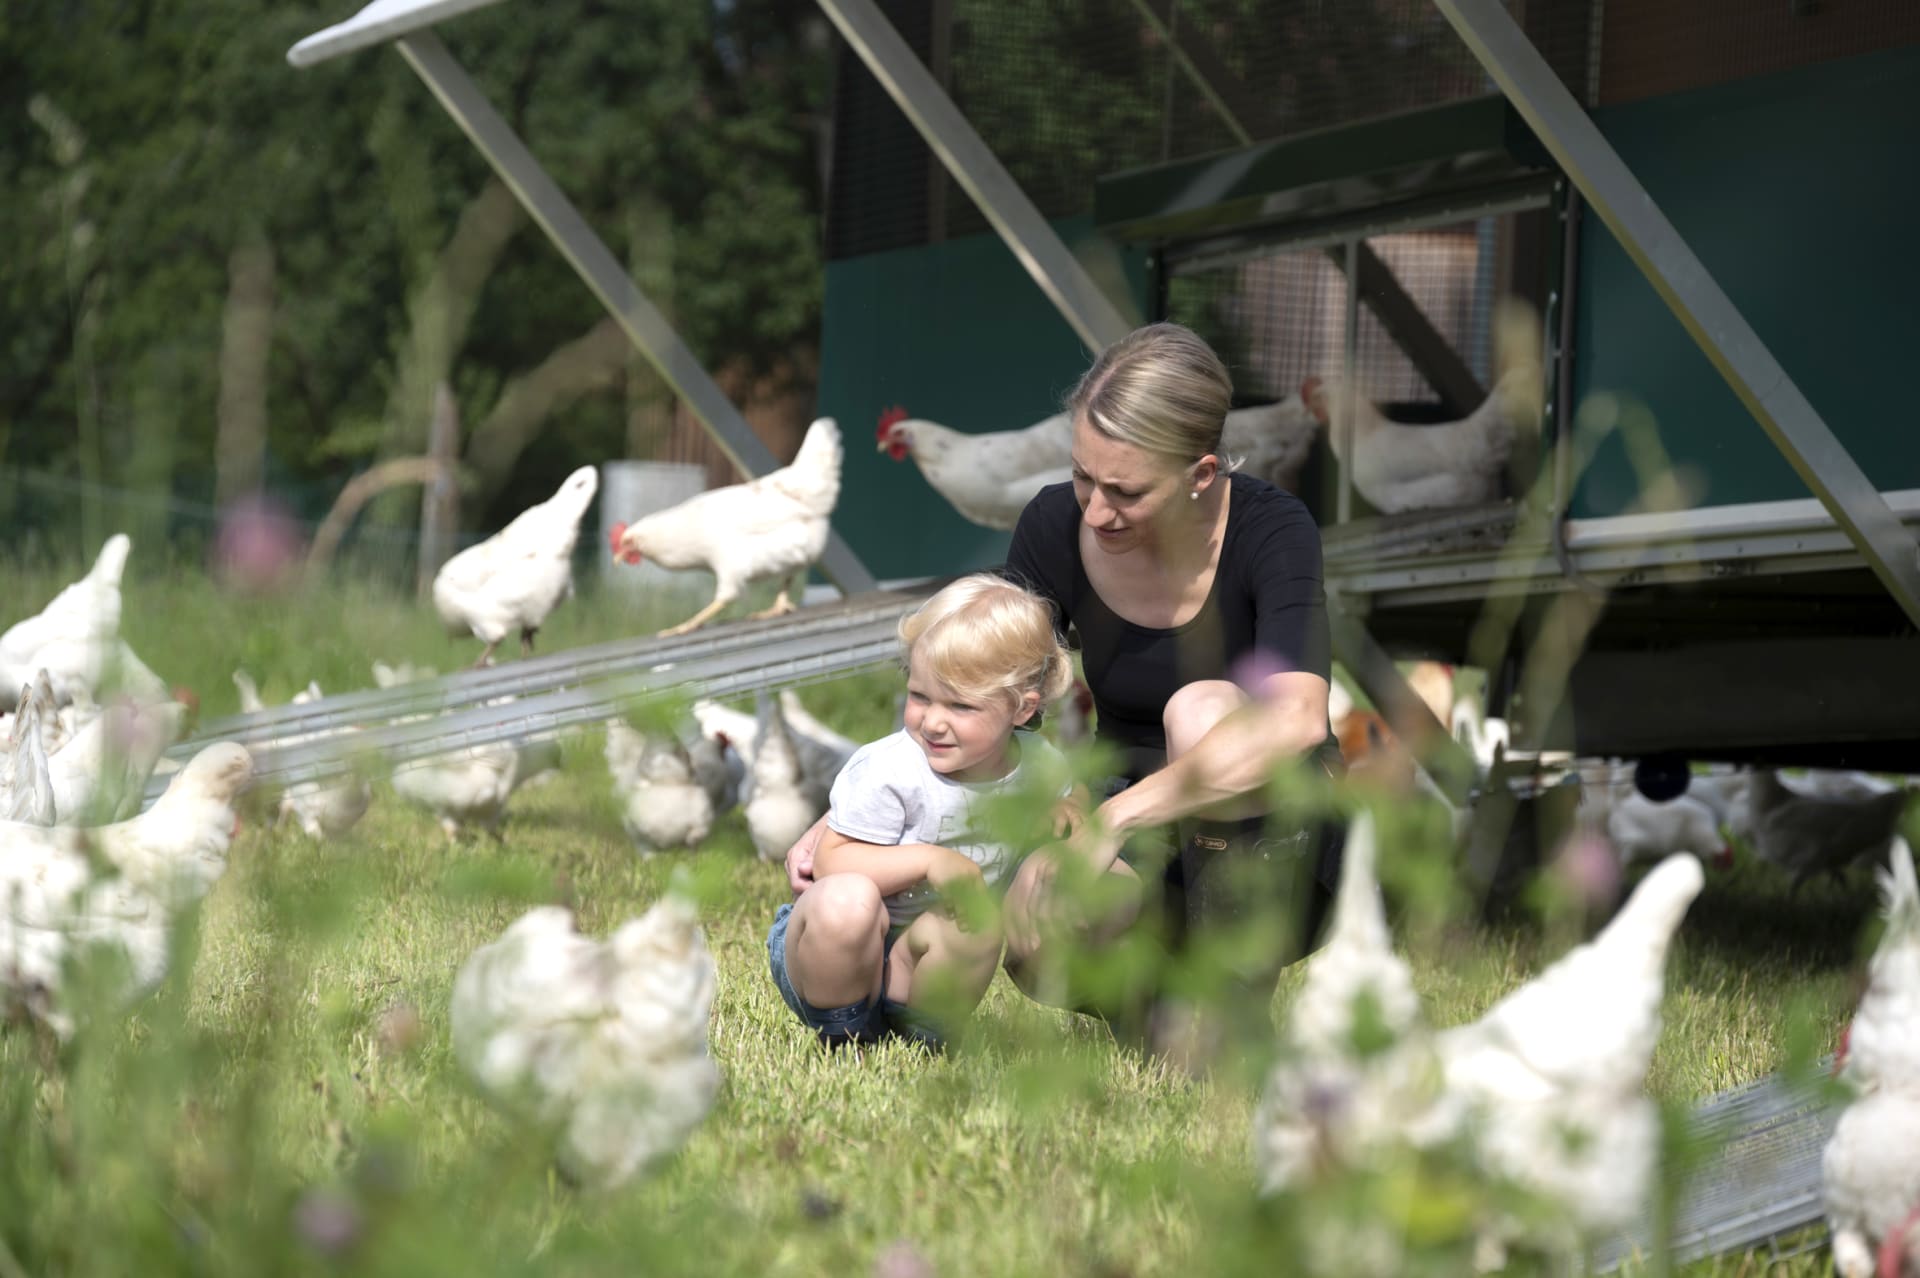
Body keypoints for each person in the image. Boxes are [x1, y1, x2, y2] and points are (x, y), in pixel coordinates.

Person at [765, 574, 1077, 1049]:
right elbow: (831, 863)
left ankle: (925, 1038)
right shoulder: (891, 768)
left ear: (1021, 709)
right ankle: (844, 1035)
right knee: (847, 900)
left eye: (961, 705)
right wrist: (930, 860)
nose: (932, 721)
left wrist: (1067, 808)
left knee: (976, 919)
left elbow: (1073, 791)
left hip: (920, 954)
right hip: (831, 951)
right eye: (920, 696)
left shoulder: (1038, 764)